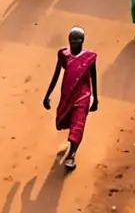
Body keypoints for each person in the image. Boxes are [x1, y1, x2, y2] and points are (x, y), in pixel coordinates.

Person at [43, 28, 98, 171]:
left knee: (78, 125)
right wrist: (47, 95)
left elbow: (93, 77)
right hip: (67, 95)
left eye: (76, 39)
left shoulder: (89, 58)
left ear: (82, 40)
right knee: (67, 120)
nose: (73, 42)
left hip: (83, 96)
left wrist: (95, 98)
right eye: (71, 39)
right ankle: (71, 147)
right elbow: (56, 75)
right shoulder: (64, 55)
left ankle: (71, 155)